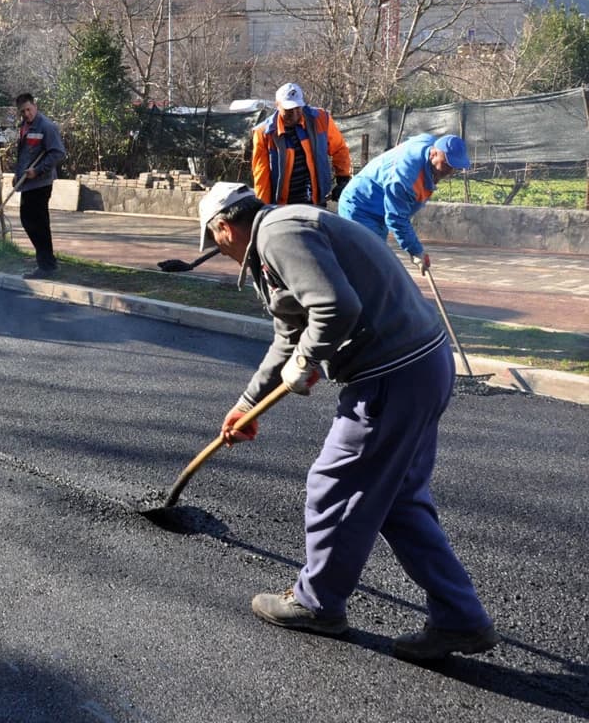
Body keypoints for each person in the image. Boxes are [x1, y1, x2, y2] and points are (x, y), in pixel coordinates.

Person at [200, 181, 496, 663]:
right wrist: (247, 403)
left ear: (223, 227)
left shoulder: (276, 234)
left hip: (391, 376)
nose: (221, 252)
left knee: (332, 485)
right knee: (400, 499)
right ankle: (460, 617)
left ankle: (318, 604)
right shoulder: (285, 233)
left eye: (216, 243)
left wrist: (307, 360)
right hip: (424, 365)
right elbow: (289, 335)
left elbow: (337, 308)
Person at [338, 133, 470, 273]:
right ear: (433, 154)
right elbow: (397, 219)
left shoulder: (428, 141)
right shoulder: (404, 179)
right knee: (370, 268)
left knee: (373, 267)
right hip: (360, 209)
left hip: (377, 210)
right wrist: (416, 251)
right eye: (447, 164)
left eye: (455, 166)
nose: (450, 171)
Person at [251, 82, 351, 207]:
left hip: (316, 202)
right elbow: (261, 176)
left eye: (297, 108)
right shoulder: (264, 133)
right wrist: (262, 208)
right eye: (288, 110)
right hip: (283, 207)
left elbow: (339, 149)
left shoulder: (321, 119)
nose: (294, 114)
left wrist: (343, 178)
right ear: (277, 105)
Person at [13, 92, 67, 280]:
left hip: (40, 183)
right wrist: (17, 175)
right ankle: (46, 262)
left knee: (38, 223)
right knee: (29, 221)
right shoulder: (24, 127)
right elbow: (23, 155)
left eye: (29, 109)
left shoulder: (46, 126)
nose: (27, 114)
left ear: (35, 106)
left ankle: (47, 265)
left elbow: (58, 153)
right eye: (23, 111)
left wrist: (38, 170)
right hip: (27, 183)